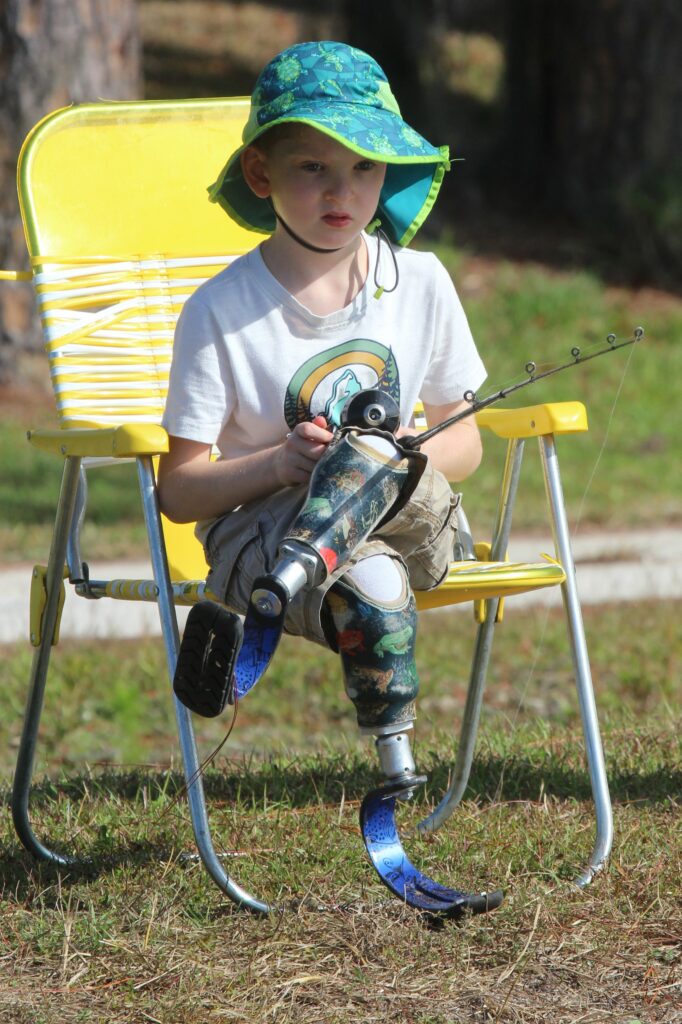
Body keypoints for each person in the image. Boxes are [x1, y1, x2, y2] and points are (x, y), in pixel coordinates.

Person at [159, 40, 486, 788]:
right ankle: (396, 773)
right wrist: (280, 464)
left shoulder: (422, 282)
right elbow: (177, 491)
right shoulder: (219, 311)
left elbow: (464, 437)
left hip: (410, 522)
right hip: (267, 532)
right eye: (313, 167)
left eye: (366, 167)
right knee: (373, 588)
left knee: (373, 477)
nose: (343, 191)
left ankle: (277, 606)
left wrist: (404, 453)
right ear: (261, 173)